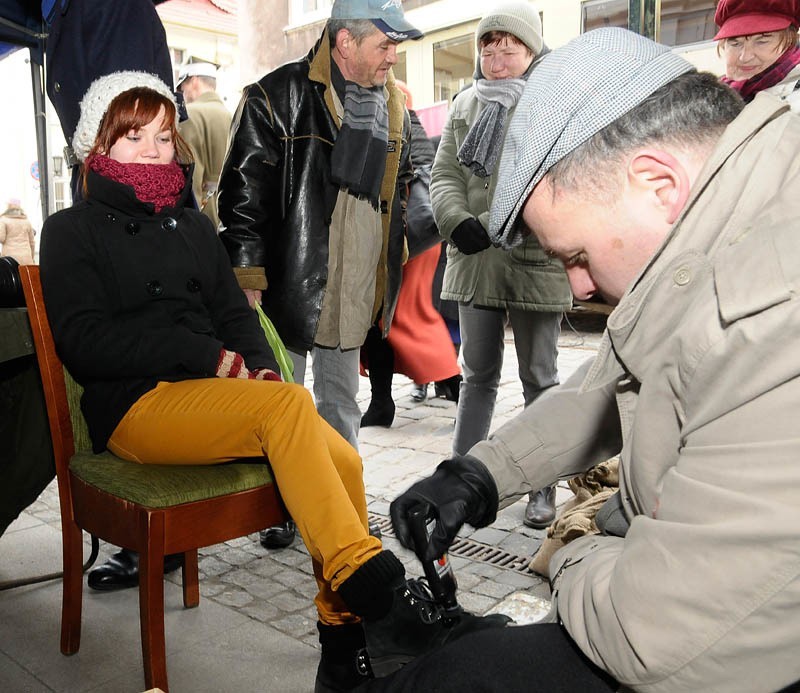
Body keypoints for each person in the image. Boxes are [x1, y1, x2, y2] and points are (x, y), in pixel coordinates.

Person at [38, 71, 509, 693]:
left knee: (341, 456)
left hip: (207, 397)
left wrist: (256, 365)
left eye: (161, 136)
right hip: (134, 406)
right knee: (288, 408)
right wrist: (202, 355)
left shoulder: (193, 225)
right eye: (133, 138)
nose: (154, 152)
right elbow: (85, 342)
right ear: (96, 148)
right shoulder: (71, 230)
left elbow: (236, 315)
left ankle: (341, 647)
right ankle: (384, 601)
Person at [371, 26, 800, 692]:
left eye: (575, 256)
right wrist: (477, 475)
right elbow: (612, 376)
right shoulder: (729, 215)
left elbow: (652, 633)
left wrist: (574, 551)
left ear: (658, 184)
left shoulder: (777, 306)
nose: (578, 287)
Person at [217, 0, 419, 549]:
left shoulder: (393, 106)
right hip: (294, 280)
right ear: (345, 43)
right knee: (284, 402)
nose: (392, 57)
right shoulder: (274, 96)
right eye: (385, 45)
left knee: (340, 405)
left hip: (355, 281)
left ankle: (339, 507)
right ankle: (284, 504)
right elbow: (241, 194)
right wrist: (247, 276)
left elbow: (408, 180)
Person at [429, 1, 572, 530]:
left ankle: (542, 489)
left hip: (534, 253)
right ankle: (458, 483)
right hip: (476, 258)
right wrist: (453, 217)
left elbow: (552, 176)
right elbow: (442, 173)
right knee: (477, 376)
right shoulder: (464, 104)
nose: (497, 54)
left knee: (540, 377)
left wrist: (486, 218)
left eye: (508, 45)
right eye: (488, 45)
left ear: (532, 49)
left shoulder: (554, 100)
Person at [360, 80, 461, 428]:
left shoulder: (399, 121)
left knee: (395, 319)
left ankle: (453, 384)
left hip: (407, 240)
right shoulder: (408, 122)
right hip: (413, 237)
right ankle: (449, 385)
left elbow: (411, 178)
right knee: (399, 319)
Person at [176, 61, 232, 230]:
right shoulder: (230, 114)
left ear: (194, 81)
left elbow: (191, 176)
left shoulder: (190, 114)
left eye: (182, 88)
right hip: (228, 213)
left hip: (203, 217)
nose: (182, 93)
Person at [715, 0, 800, 108]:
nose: (745, 57)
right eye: (735, 44)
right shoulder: (712, 97)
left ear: (790, 42)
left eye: (761, 42)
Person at [0, 200, 36, 266]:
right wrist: (32, 257)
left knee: (10, 276)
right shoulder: (26, 221)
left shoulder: (3, 220)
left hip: (9, 258)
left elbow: (1, 238)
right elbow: (32, 242)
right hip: (26, 257)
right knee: (24, 276)